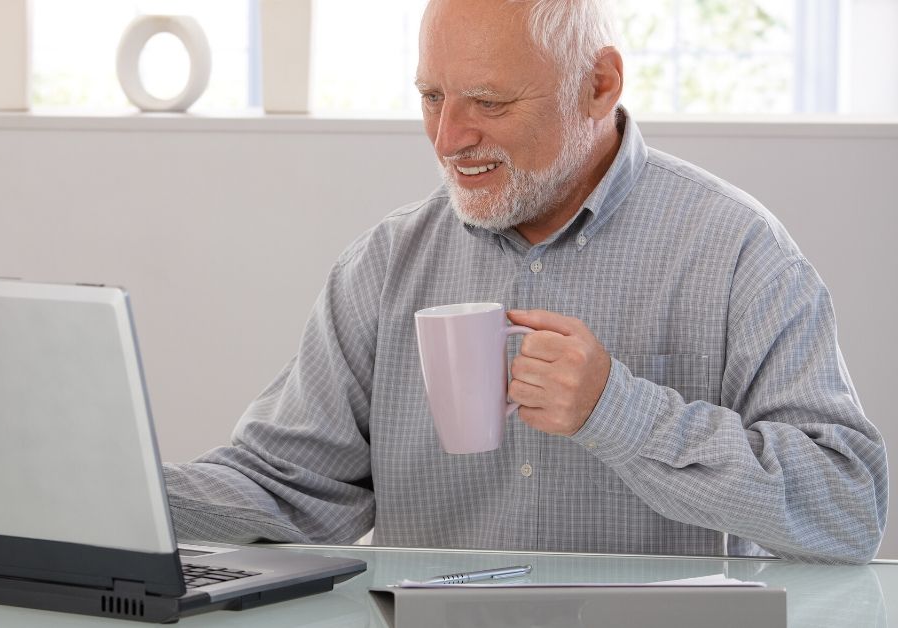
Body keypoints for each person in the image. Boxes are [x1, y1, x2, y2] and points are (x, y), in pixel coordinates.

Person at [162, 0, 888, 564]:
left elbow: (847, 509)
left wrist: (619, 410)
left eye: (489, 102)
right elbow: (285, 488)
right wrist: (98, 492)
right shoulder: (385, 266)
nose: (449, 139)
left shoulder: (736, 252)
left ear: (598, 85)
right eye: (431, 98)